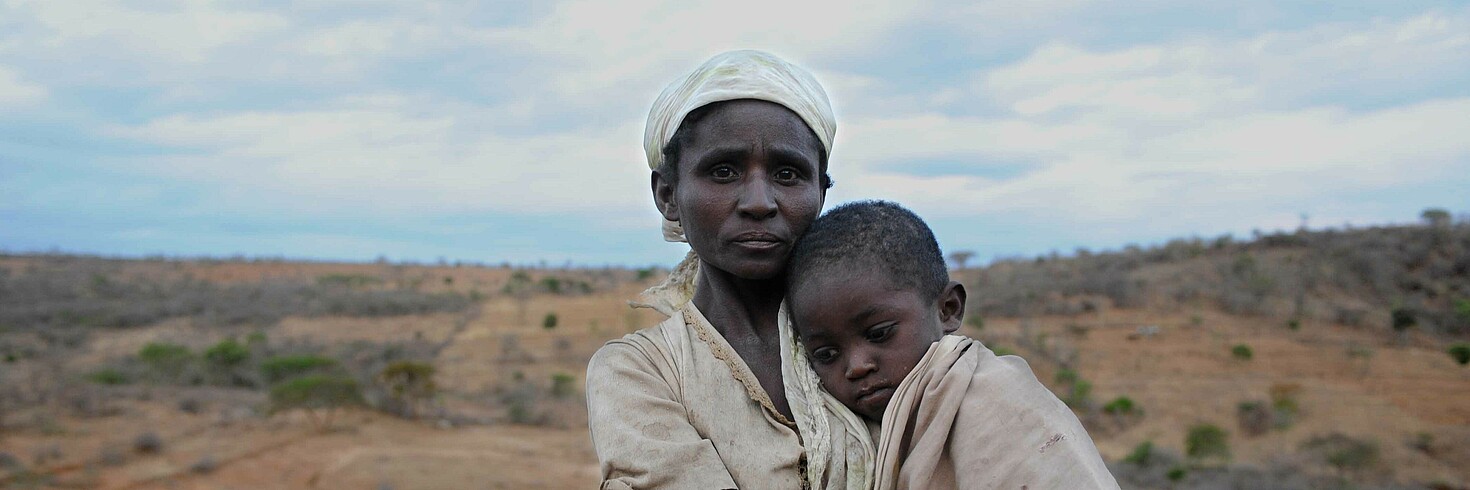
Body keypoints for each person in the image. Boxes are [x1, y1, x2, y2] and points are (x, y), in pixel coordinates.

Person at [585, 50, 870, 489]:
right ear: (668, 194)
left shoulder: (882, 340)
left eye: (789, 174)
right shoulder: (639, 371)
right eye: (723, 171)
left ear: (821, 192)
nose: (759, 202)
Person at [784, 200, 1120, 489]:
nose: (856, 366)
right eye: (826, 354)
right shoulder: (843, 433)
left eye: (880, 333)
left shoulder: (1003, 408)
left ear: (948, 309)